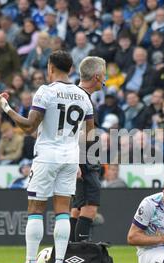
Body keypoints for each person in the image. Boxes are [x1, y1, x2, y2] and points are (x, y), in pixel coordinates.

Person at [0, 51, 95, 263]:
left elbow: (29, 126)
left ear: (50, 68)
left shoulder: (45, 91)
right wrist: (77, 158)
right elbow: (90, 134)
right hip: (70, 159)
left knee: (36, 209)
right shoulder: (83, 96)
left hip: (47, 156)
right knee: (62, 210)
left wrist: (6, 107)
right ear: (70, 69)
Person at [70, 56, 107, 243]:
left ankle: (68, 251)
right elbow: (77, 134)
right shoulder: (84, 99)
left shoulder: (75, 96)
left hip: (81, 159)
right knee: (90, 207)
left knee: (77, 207)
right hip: (85, 160)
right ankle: (79, 253)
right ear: (97, 77)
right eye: (104, 75)